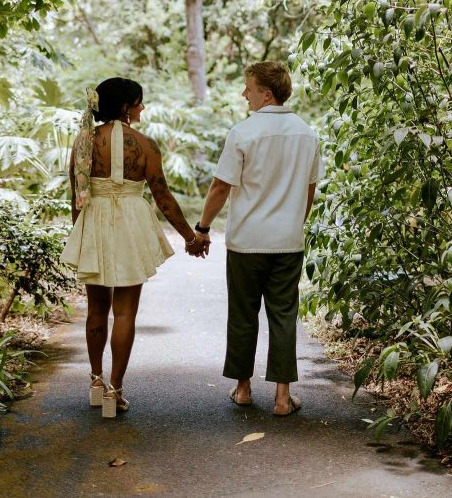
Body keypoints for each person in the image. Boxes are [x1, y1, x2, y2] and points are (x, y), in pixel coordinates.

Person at [61, 77, 208, 418]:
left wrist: (80, 234)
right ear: (126, 107)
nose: (143, 108)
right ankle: (115, 391)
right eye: (140, 102)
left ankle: (96, 382)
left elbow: (77, 194)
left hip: (94, 221)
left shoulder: (84, 141)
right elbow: (162, 196)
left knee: (96, 309)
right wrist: (191, 236)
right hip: (129, 224)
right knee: (125, 312)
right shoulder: (145, 145)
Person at [194, 61, 323, 416]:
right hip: (287, 241)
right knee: (283, 315)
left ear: (266, 93)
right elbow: (308, 191)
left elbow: (221, 186)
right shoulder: (307, 133)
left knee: (243, 313)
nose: (243, 94)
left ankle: (244, 389)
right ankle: (283, 398)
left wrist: (203, 228)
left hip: (247, 242)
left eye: (248, 88)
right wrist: (295, 223)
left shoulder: (243, 133)